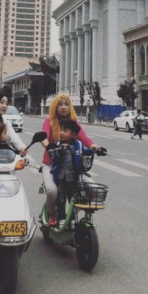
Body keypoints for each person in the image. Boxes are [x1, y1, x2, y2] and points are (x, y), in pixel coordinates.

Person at [39, 94, 97, 226]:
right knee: (53, 191)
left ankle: (73, 213)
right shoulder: (50, 121)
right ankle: (53, 214)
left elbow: (84, 138)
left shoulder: (73, 123)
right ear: (55, 106)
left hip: (73, 166)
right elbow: (44, 136)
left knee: (91, 186)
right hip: (52, 165)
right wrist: (49, 147)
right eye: (60, 104)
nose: (63, 107)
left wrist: (94, 146)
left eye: (66, 104)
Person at [47, 118, 96, 228]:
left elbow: (87, 151)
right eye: (61, 130)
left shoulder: (78, 145)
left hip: (73, 178)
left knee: (73, 200)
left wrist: (95, 149)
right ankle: (61, 219)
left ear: (73, 135)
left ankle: (73, 220)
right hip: (60, 178)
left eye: (65, 131)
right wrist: (58, 150)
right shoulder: (58, 144)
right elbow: (52, 155)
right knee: (61, 200)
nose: (61, 133)